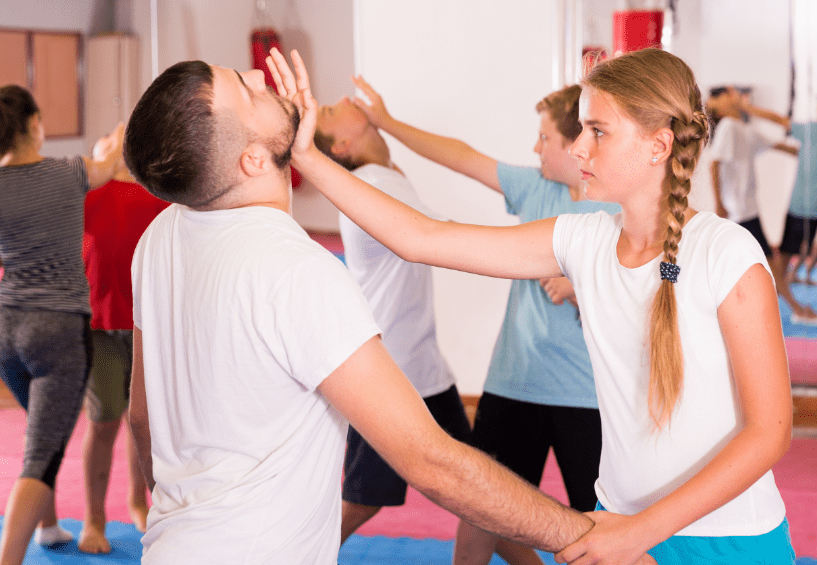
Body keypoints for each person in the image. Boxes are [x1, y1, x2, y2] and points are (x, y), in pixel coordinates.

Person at [283, 47, 795, 564]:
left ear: (658, 145)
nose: (578, 150)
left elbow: (769, 431)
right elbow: (423, 238)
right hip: (618, 522)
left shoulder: (725, 253)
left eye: (598, 132)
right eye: (579, 131)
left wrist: (640, 532)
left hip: (731, 539)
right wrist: (307, 157)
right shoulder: (584, 240)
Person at [122, 52, 618, 565]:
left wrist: (187, 513)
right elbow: (433, 464)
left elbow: (143, 416)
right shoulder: (298, 272)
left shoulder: (159, 238)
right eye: (246, 90)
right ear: (251, 160)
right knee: (388, 483)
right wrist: (582, 535)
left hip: (171, 549)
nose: (257, 75)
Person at [328, 78, 618, 565]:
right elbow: (458, 156)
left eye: (545, 138)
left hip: (584, 395)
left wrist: (585, 285)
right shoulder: (535, 187)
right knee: (483, 509)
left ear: (577, 147)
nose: (535, 146)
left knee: (593, 518)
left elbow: (658, 287)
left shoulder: (618, 210)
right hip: (514, 386)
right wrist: (388, 122)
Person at [0, 85, 123, 565]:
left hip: (7, 329)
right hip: (59, 330)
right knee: (41, 455)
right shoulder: (70, 171)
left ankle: (48, 528)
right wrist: (119, 135)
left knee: (39, 428)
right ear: (34, 124)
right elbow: (110, 163)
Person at [78, 145, 169, 553]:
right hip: (101, 326)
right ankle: (93, 517)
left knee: (143, 419)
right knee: (103, 423)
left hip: (147, 325)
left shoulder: (157, 196)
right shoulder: (87, 195)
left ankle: (139, 499)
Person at [706, 85, 817, 326]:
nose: (736, 96)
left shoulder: (744, 129)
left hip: (747, 208)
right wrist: (720, 204)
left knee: (757, 263)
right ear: (720, 103)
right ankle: (798, 310)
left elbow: (782, 146)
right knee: (766, 263)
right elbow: (714, 166)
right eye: (729, 94)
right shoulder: (727, 127)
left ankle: (776, 308)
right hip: (738, 211)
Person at [743, 88, 817, 324]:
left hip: (804, 207)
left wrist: (746, 106)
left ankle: (775, 300)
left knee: (784, 255)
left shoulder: (811, 130)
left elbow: (776, 118)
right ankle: (788, 292)